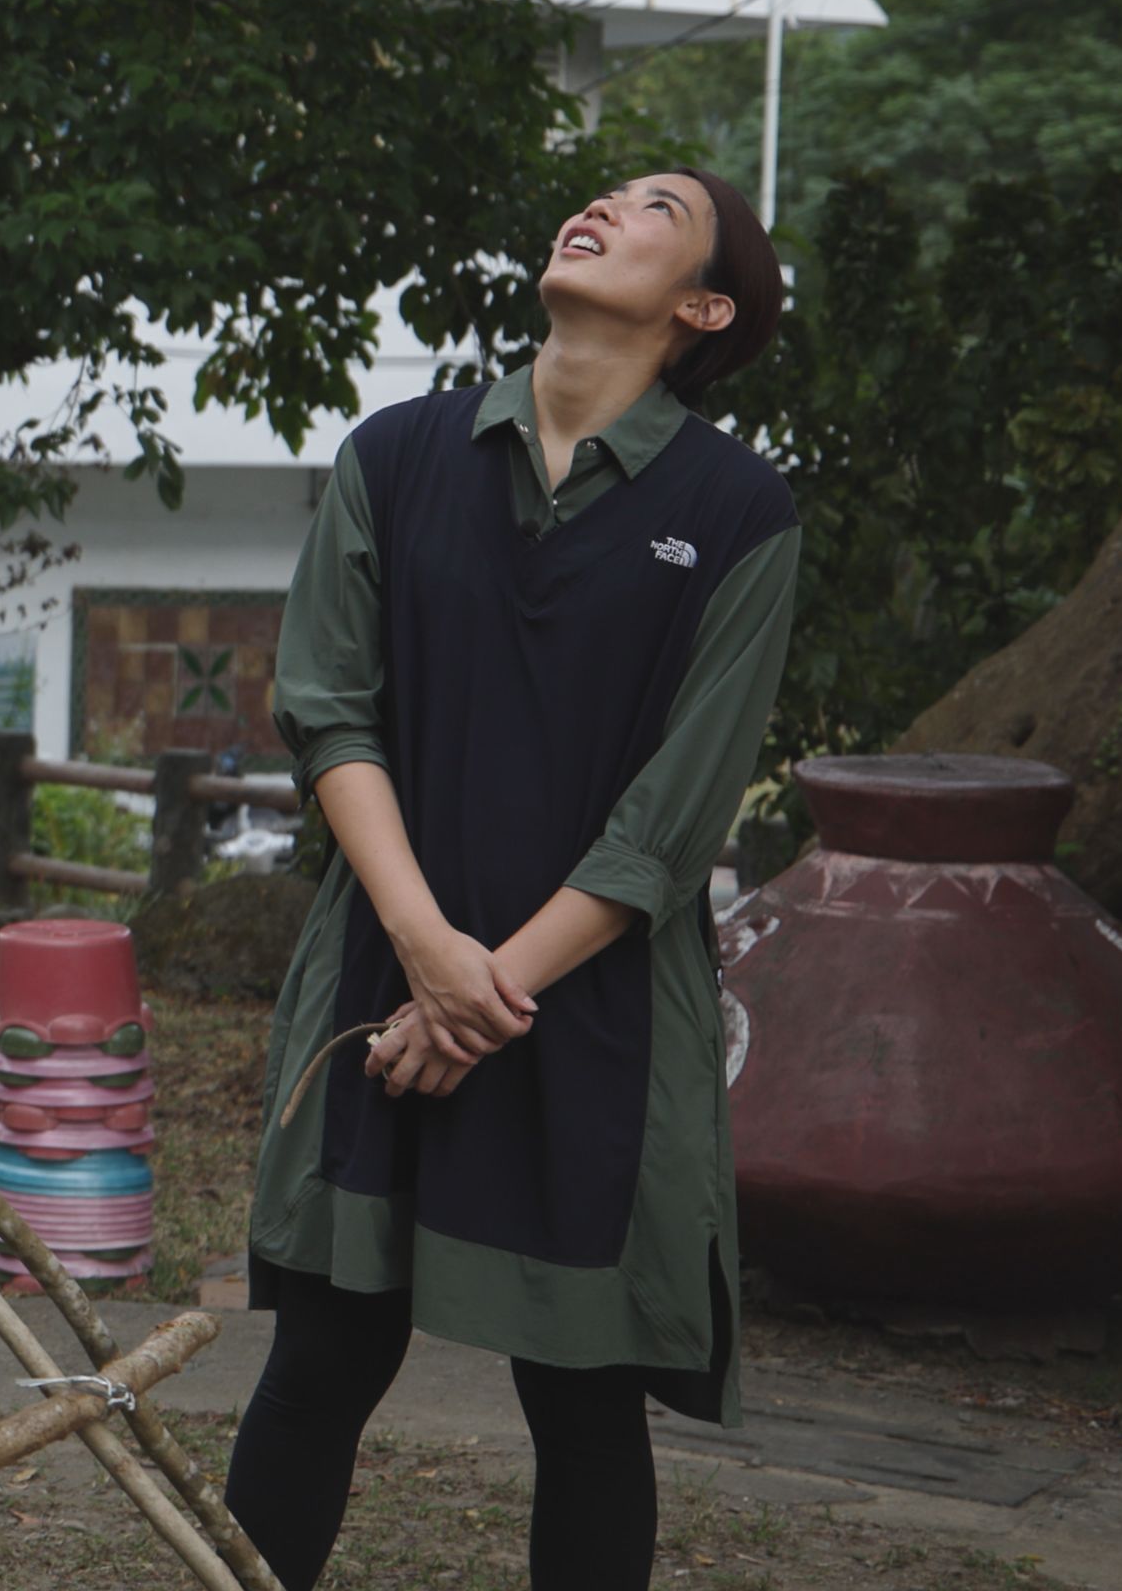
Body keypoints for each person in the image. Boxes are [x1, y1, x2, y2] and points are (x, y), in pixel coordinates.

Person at [226, 171, 798, 1590]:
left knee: (585, 1398)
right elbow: (330, 713)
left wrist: (483, 994)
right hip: (383, 974)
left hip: (591, 1011)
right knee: (321, 1356)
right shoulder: (399, 456)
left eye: (655, 207)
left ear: (702, 308)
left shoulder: (738, 512)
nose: (602, 206)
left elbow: (672, 816)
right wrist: (426, 952)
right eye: (601, 193)